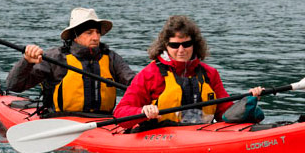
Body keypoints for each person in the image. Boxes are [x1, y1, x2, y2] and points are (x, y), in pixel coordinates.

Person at [113, 15, 264, 130]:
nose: (181, 50)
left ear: (194, 44)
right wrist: (142, 110)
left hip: (200, 134)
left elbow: (225, 113)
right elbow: (120, 113)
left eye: (186, 44)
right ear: (165, 46)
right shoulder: (150, 74)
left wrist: (247, 103)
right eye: (174, 45)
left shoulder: (209, 74)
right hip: (159, 135)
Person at [6, 7, 135, 116]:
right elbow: (14, 86)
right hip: (61, 120)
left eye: (97, 32)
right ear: (75, 36)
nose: (95, 37)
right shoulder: (55, 58)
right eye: (89, 33)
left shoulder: (111, 58)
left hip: (104, 120)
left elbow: (134, 82)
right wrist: (27, 62)